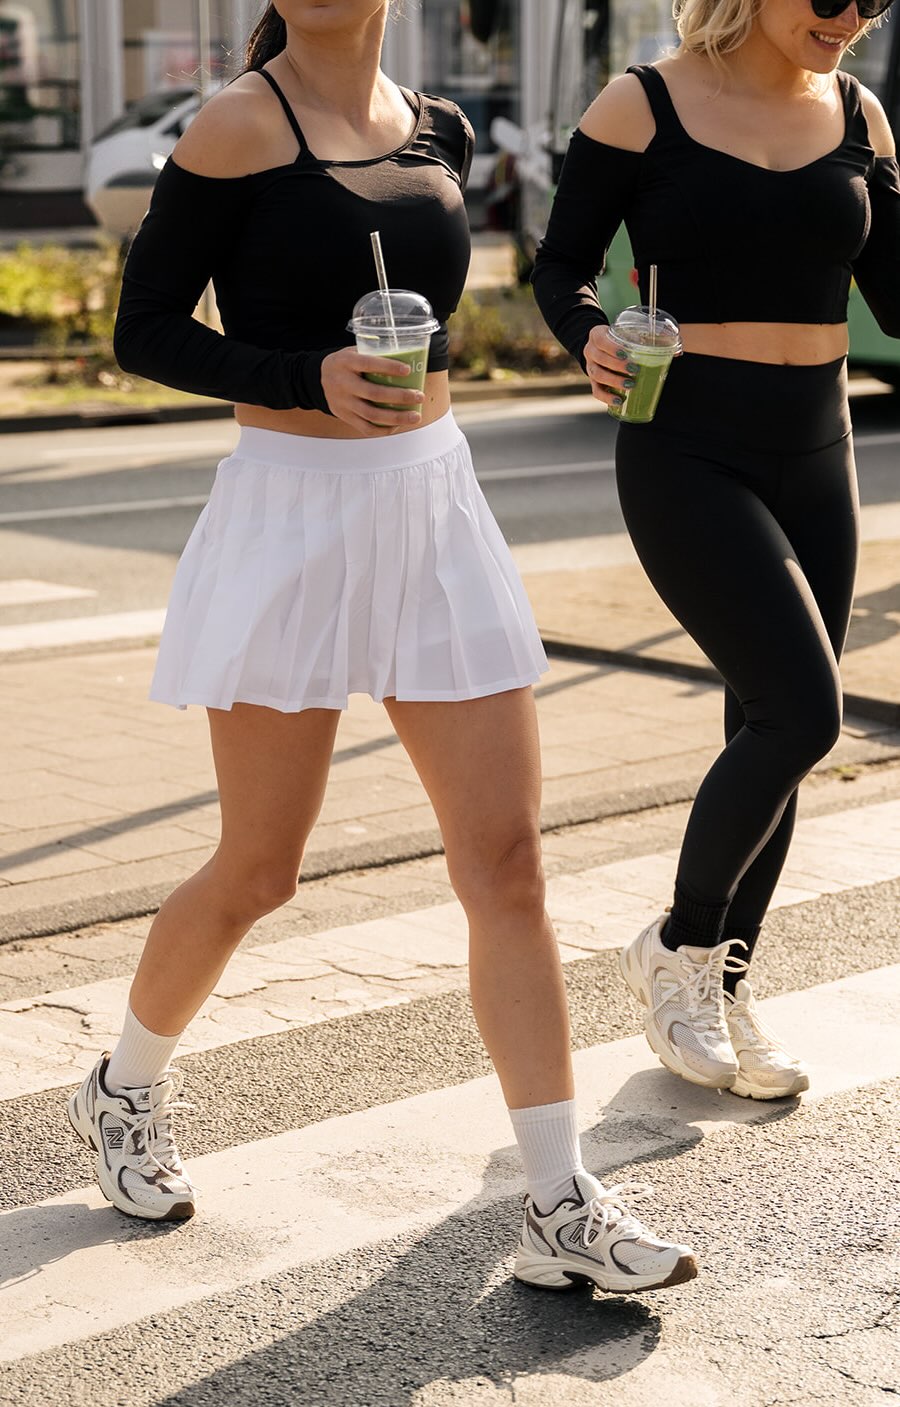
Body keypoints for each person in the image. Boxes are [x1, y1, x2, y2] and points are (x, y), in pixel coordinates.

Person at [66, 0, 697, 1297]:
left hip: (432, 502)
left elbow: (465, 306)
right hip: (291, 513)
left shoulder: (441, 129)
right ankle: (121, 1088)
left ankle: (556, 1197)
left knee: (507, 861)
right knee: (258, 869)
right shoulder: (239, 124)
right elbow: (143, 332)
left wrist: (582, 341)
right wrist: (310, 377)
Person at [533, 0, 899, 1101]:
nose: (855, 20)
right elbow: (563, 267)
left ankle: (725, 987)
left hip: (820, 448)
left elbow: (894, 291)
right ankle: (681, 949)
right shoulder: (642, 103)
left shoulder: (860, 115)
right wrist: (588, 331)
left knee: (770, 728)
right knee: (805, 710)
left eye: (875, 2)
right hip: (685, 442)